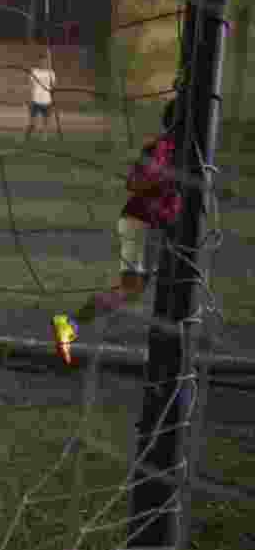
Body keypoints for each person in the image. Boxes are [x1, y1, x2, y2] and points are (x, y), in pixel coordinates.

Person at [52, 100, 182, 366]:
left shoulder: (183, 150)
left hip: (160, 226)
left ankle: (168, 350)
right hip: (144, 223)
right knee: (132, 289)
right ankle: (70, 324)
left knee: (163, 284)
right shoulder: (163, 148)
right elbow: (134, 182)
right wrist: (165, 178)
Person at [25, 57, 57, 141]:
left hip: (47, 100)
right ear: (39, 62)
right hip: (35, 100)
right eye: (42, 61)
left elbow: (53, 87)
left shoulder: (51, 73)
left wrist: (53, 99)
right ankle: (27, 135)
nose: (43, 63)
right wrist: (29, 98)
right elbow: (30, 85)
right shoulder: (34, 71)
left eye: (45, 61)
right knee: (32, 123)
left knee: (46, 122)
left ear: (47, 62)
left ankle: (44, 137)